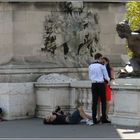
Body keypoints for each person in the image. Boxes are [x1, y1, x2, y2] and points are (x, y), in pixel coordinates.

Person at [88, 53, 110, 125]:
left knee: (94, 102)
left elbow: (90, 76)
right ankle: (103, 118)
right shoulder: (102, 66)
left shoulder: (90, 66)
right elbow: (106, 76)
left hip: (93, 84)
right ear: (100, 58)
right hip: (101, 84)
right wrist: (109, 80)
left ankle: (94, 119)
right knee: (103, 101)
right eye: (101, 58)